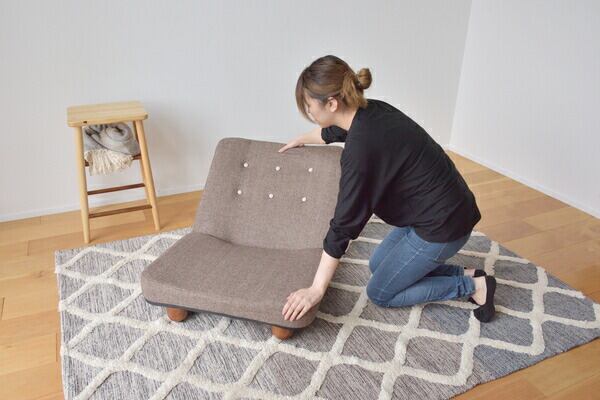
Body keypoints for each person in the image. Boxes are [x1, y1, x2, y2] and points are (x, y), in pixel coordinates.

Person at [279, 55, 496, 324]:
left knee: (380, 291)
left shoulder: (361, 150)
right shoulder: (370, 111)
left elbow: (344, 224)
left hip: (444, 225)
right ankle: (465, 273)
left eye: (309, 107)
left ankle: (474, 287)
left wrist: (316, 289)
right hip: (439, 208)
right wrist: (301, 140)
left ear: (332, 103)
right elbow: (332, 133)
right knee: (377, 265)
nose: (309, 113)